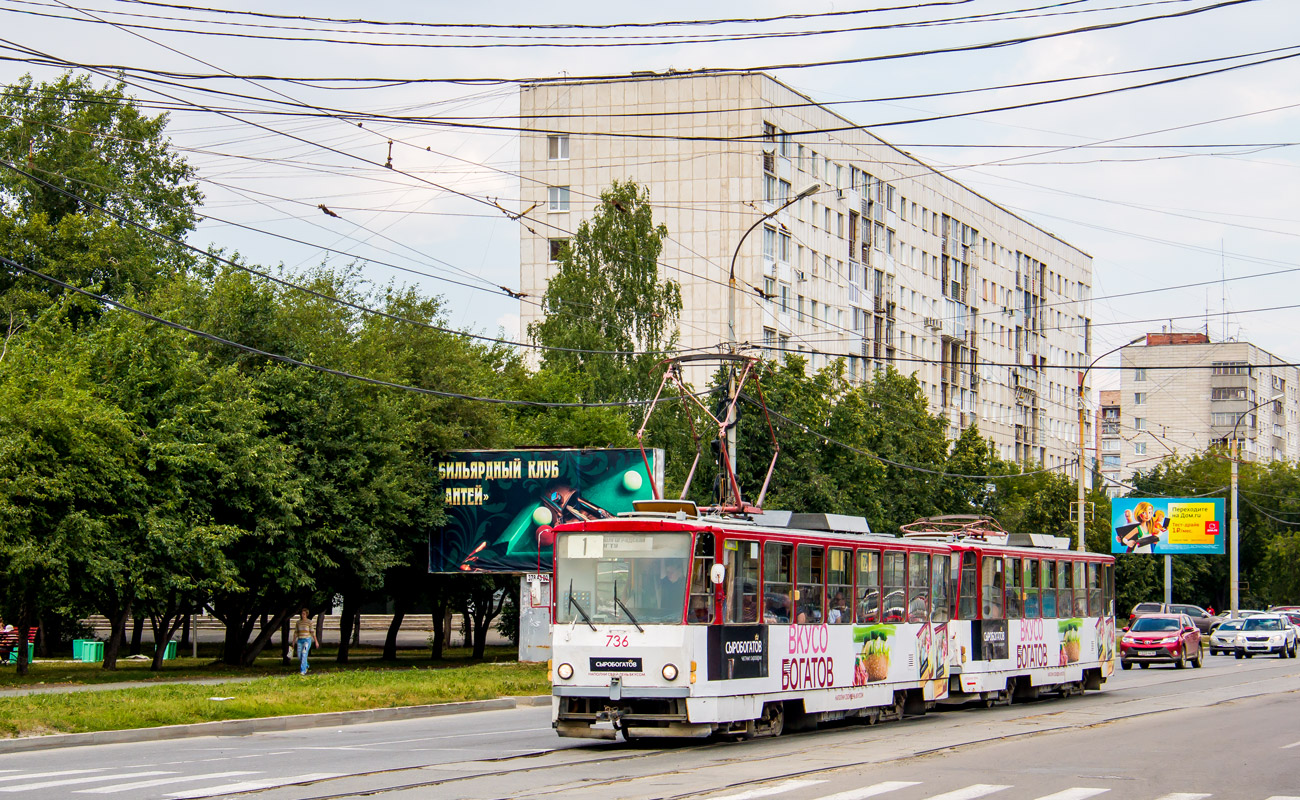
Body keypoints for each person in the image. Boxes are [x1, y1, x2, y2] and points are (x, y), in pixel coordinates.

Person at [294, 608, 317, 675]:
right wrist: (293, 641)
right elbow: (296, 632)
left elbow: (312, 632)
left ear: (306, 614)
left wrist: (316, 641)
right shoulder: (298, 622)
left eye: (304, 614)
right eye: (302, 614)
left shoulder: (309, 622)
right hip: (300, 640)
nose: (303, 615)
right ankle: (306, 665)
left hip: (307, 640)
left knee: (304, 654)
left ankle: (303, 670)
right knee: (299, 655)